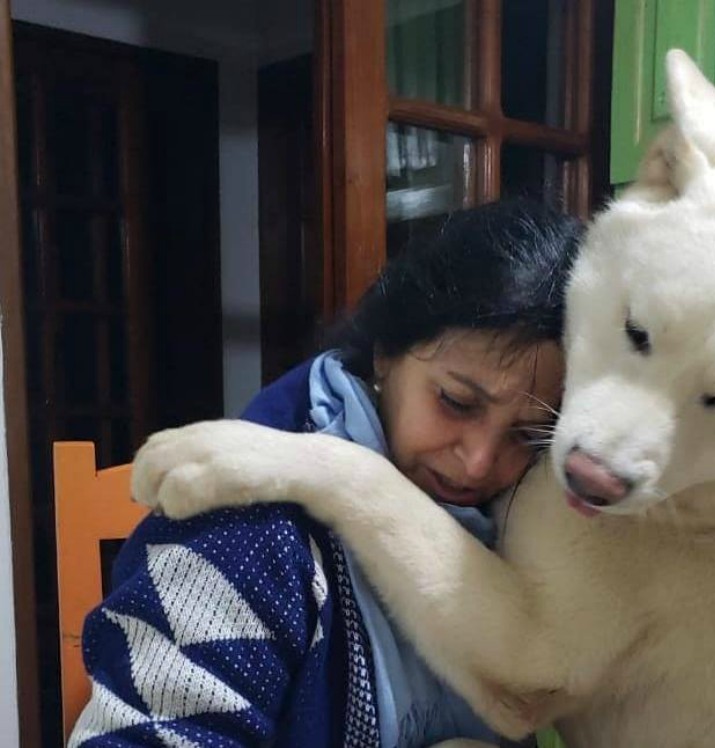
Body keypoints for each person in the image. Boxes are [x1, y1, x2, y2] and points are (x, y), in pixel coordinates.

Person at [69, 199, 584, 748]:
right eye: (456, 402)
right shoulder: (246, 533)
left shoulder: (525, 524)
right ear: (385, 353)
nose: (479, 461)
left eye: (526, 435)